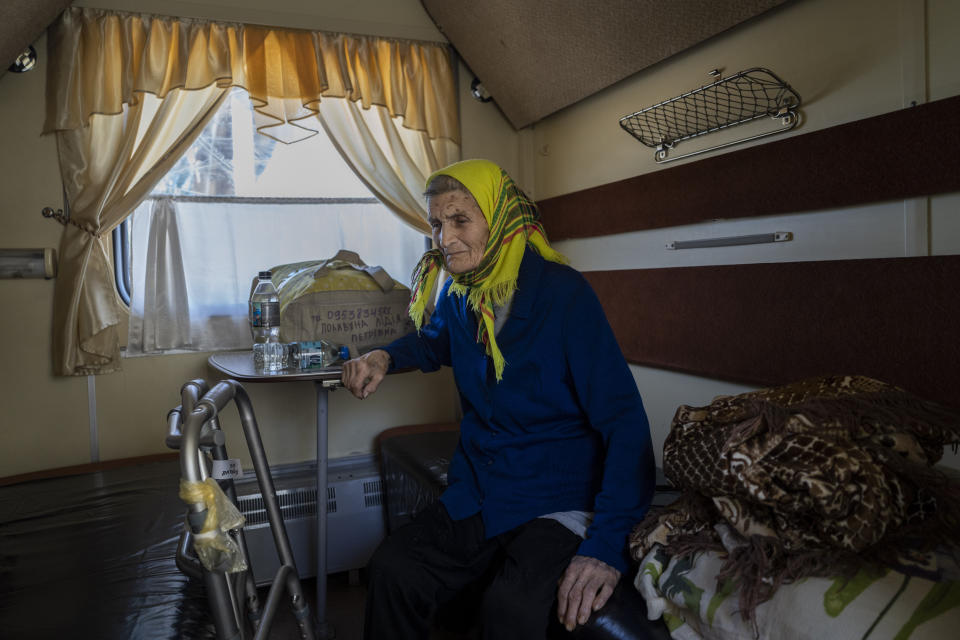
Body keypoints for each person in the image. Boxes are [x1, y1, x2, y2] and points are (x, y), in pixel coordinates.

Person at [342, 159, 655, 639]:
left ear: (501, 218)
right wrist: (385, 356)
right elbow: (434, 341)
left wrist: (606, 546)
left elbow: (625, 424)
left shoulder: (563, 294)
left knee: (510, 609)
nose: (444, 239)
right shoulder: (461, 292)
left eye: (460, 220)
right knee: (393, 568)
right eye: (436, 224)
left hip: (557, 499)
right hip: (484, 489)